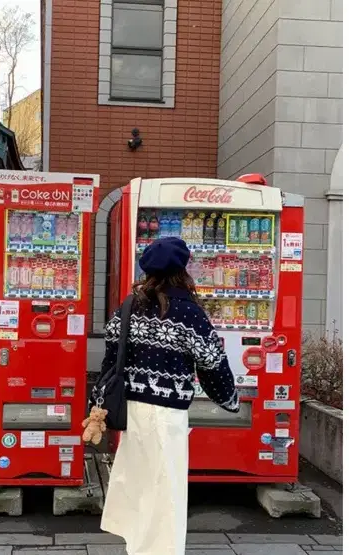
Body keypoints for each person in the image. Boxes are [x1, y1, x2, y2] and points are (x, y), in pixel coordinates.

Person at [99, 237, 239, 555]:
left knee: (139, 483)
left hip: (131, 413)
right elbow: (212, 362)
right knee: (166, 492)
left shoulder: (128, 307)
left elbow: (110, 356)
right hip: (166, 414)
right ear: (182, 270)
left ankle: (135, 544)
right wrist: (230, 399)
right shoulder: (190, 313)